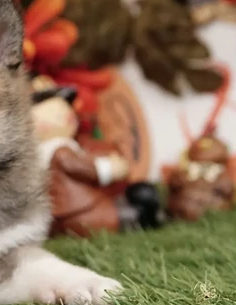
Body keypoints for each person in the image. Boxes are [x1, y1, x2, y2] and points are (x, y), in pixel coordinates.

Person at [32, 84, 163, 237]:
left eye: (65, 110)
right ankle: (142, 217)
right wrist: (110, 168)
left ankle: (143, 212)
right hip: (79, 210)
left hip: (87, 203)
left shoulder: (66, 145)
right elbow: (82, 168)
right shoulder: (59, 152)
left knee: (124, 203)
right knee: (117, 216)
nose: (67, 116)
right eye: (56, 114)